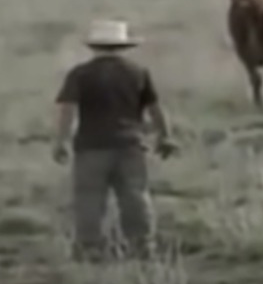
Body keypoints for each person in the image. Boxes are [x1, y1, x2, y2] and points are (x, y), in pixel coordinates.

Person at [51, 18, 178, 262]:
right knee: (135, 196)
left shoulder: (80, 74)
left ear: (94, 47)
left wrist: (62, 141)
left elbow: (67, 109)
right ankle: (143, 247)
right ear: (123, 47)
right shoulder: (138, 73)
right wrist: (166, 137)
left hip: (91, 146)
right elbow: (155, 109)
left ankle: (89, 249)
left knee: (89, 198)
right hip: (131, 145)